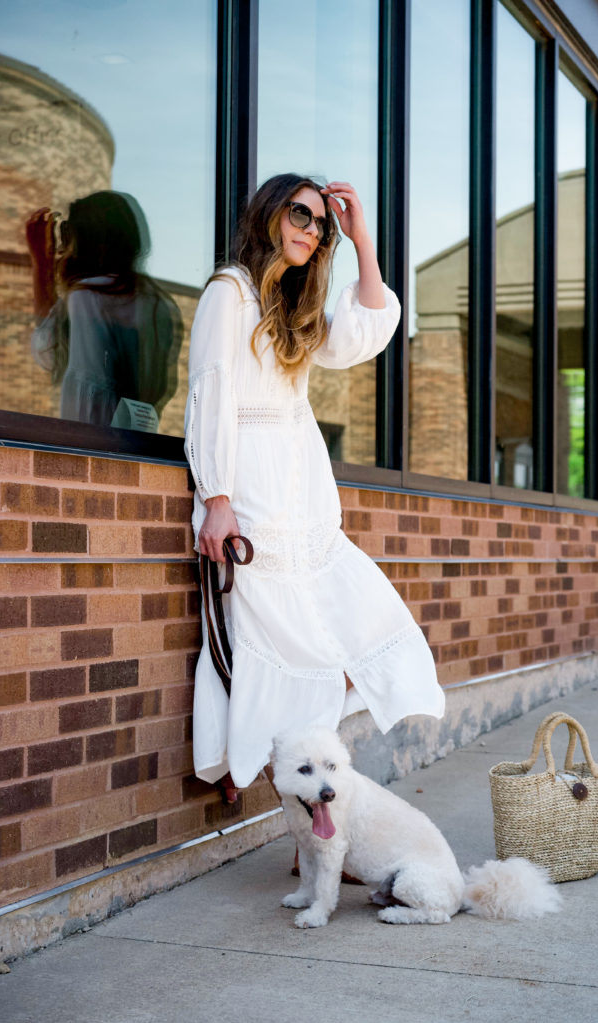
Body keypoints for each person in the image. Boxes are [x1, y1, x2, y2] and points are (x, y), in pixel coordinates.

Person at [185, 173, 445, 796]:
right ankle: (309, 821)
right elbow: (210, 397)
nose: (309, 230)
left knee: (353, 633)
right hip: (251, 501)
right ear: (270, 215)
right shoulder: (231, 292)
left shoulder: (293, 308)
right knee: (292, 657)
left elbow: (367, 332)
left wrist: (362, 243)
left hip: (305, 505)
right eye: (300, 215)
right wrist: (216, 500)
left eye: (319, 225)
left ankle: (300, 810)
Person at [26, 191, 182, 429]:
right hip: (141, 439)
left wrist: (41, 262)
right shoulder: (159, 303)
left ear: (84, 238)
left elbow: (51, 354)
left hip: (93, 439)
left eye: (68, 231)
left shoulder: (87, 298)